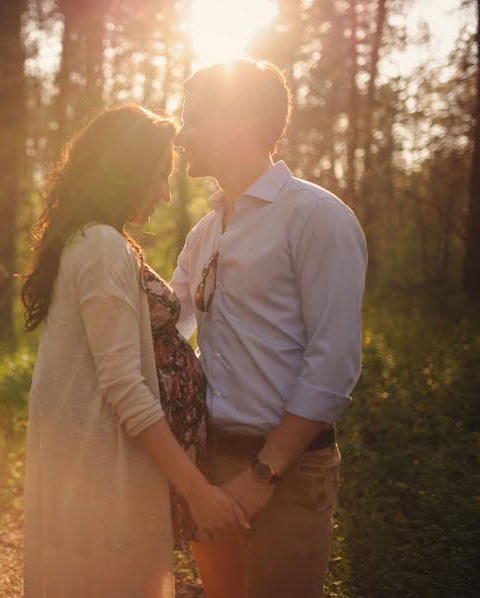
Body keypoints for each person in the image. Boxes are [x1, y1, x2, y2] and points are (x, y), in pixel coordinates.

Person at [20, 104, 248, 597]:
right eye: (159, 177)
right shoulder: (101, 247)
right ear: (126, 172)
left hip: (97, 468)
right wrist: (197, 490)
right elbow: (124, 384)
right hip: (105, 475)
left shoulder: (91, 240)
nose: (165, 193)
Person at [171, 58, 368, 598]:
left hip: (288, 472)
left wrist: (264, 474)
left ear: (244, 121)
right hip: (211, 467)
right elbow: (169, 326)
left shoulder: (317, 218)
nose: (182, 135)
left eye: (195, 119)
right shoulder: (203, 233)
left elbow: (333, 363)